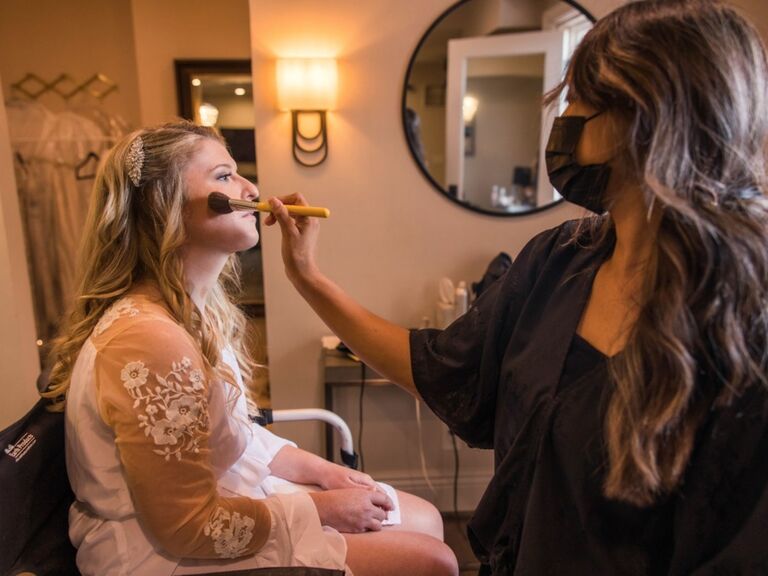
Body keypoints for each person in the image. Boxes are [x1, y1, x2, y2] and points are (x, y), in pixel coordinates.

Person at [266, 1, 768, 574]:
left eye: (578, 98)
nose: (562, 117)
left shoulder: (744, 325)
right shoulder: (558, 261)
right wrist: (307, 278)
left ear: (643, 116)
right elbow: (438, 368)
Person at [42, 122, 459, 576]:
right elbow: (186, 525)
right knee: (433, 561)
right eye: (223, 176)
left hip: (212, 505)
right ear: (164, 206)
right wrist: (321, 509)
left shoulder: (193, 315)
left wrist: (325, 472)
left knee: (425, 518)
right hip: (161, 552)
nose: (249, 188)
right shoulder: (149, 342)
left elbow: (239, 437)